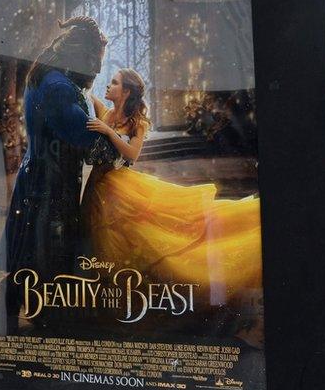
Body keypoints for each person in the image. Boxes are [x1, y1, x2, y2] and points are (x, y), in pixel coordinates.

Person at [83, 69, 262, 298]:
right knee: (120, 238)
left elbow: (132, 154)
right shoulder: (105, 113)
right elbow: (86, 93)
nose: (108, 86)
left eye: (114, 83)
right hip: (99, 186)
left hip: (121, 186)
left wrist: (108, 131)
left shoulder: (137, 123)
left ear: (126, 91)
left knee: (159, 230)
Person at [3, 17, 107, 329]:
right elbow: (87, 140)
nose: (98, 70)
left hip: (38, 180)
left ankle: (20, 322)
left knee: (27, 257)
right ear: (83, 56)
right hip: (51, 188)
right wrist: (111, 130)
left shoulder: (45, 78)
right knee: (48, 260)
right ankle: (44, 325)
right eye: (96, 61)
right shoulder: (59, 87)